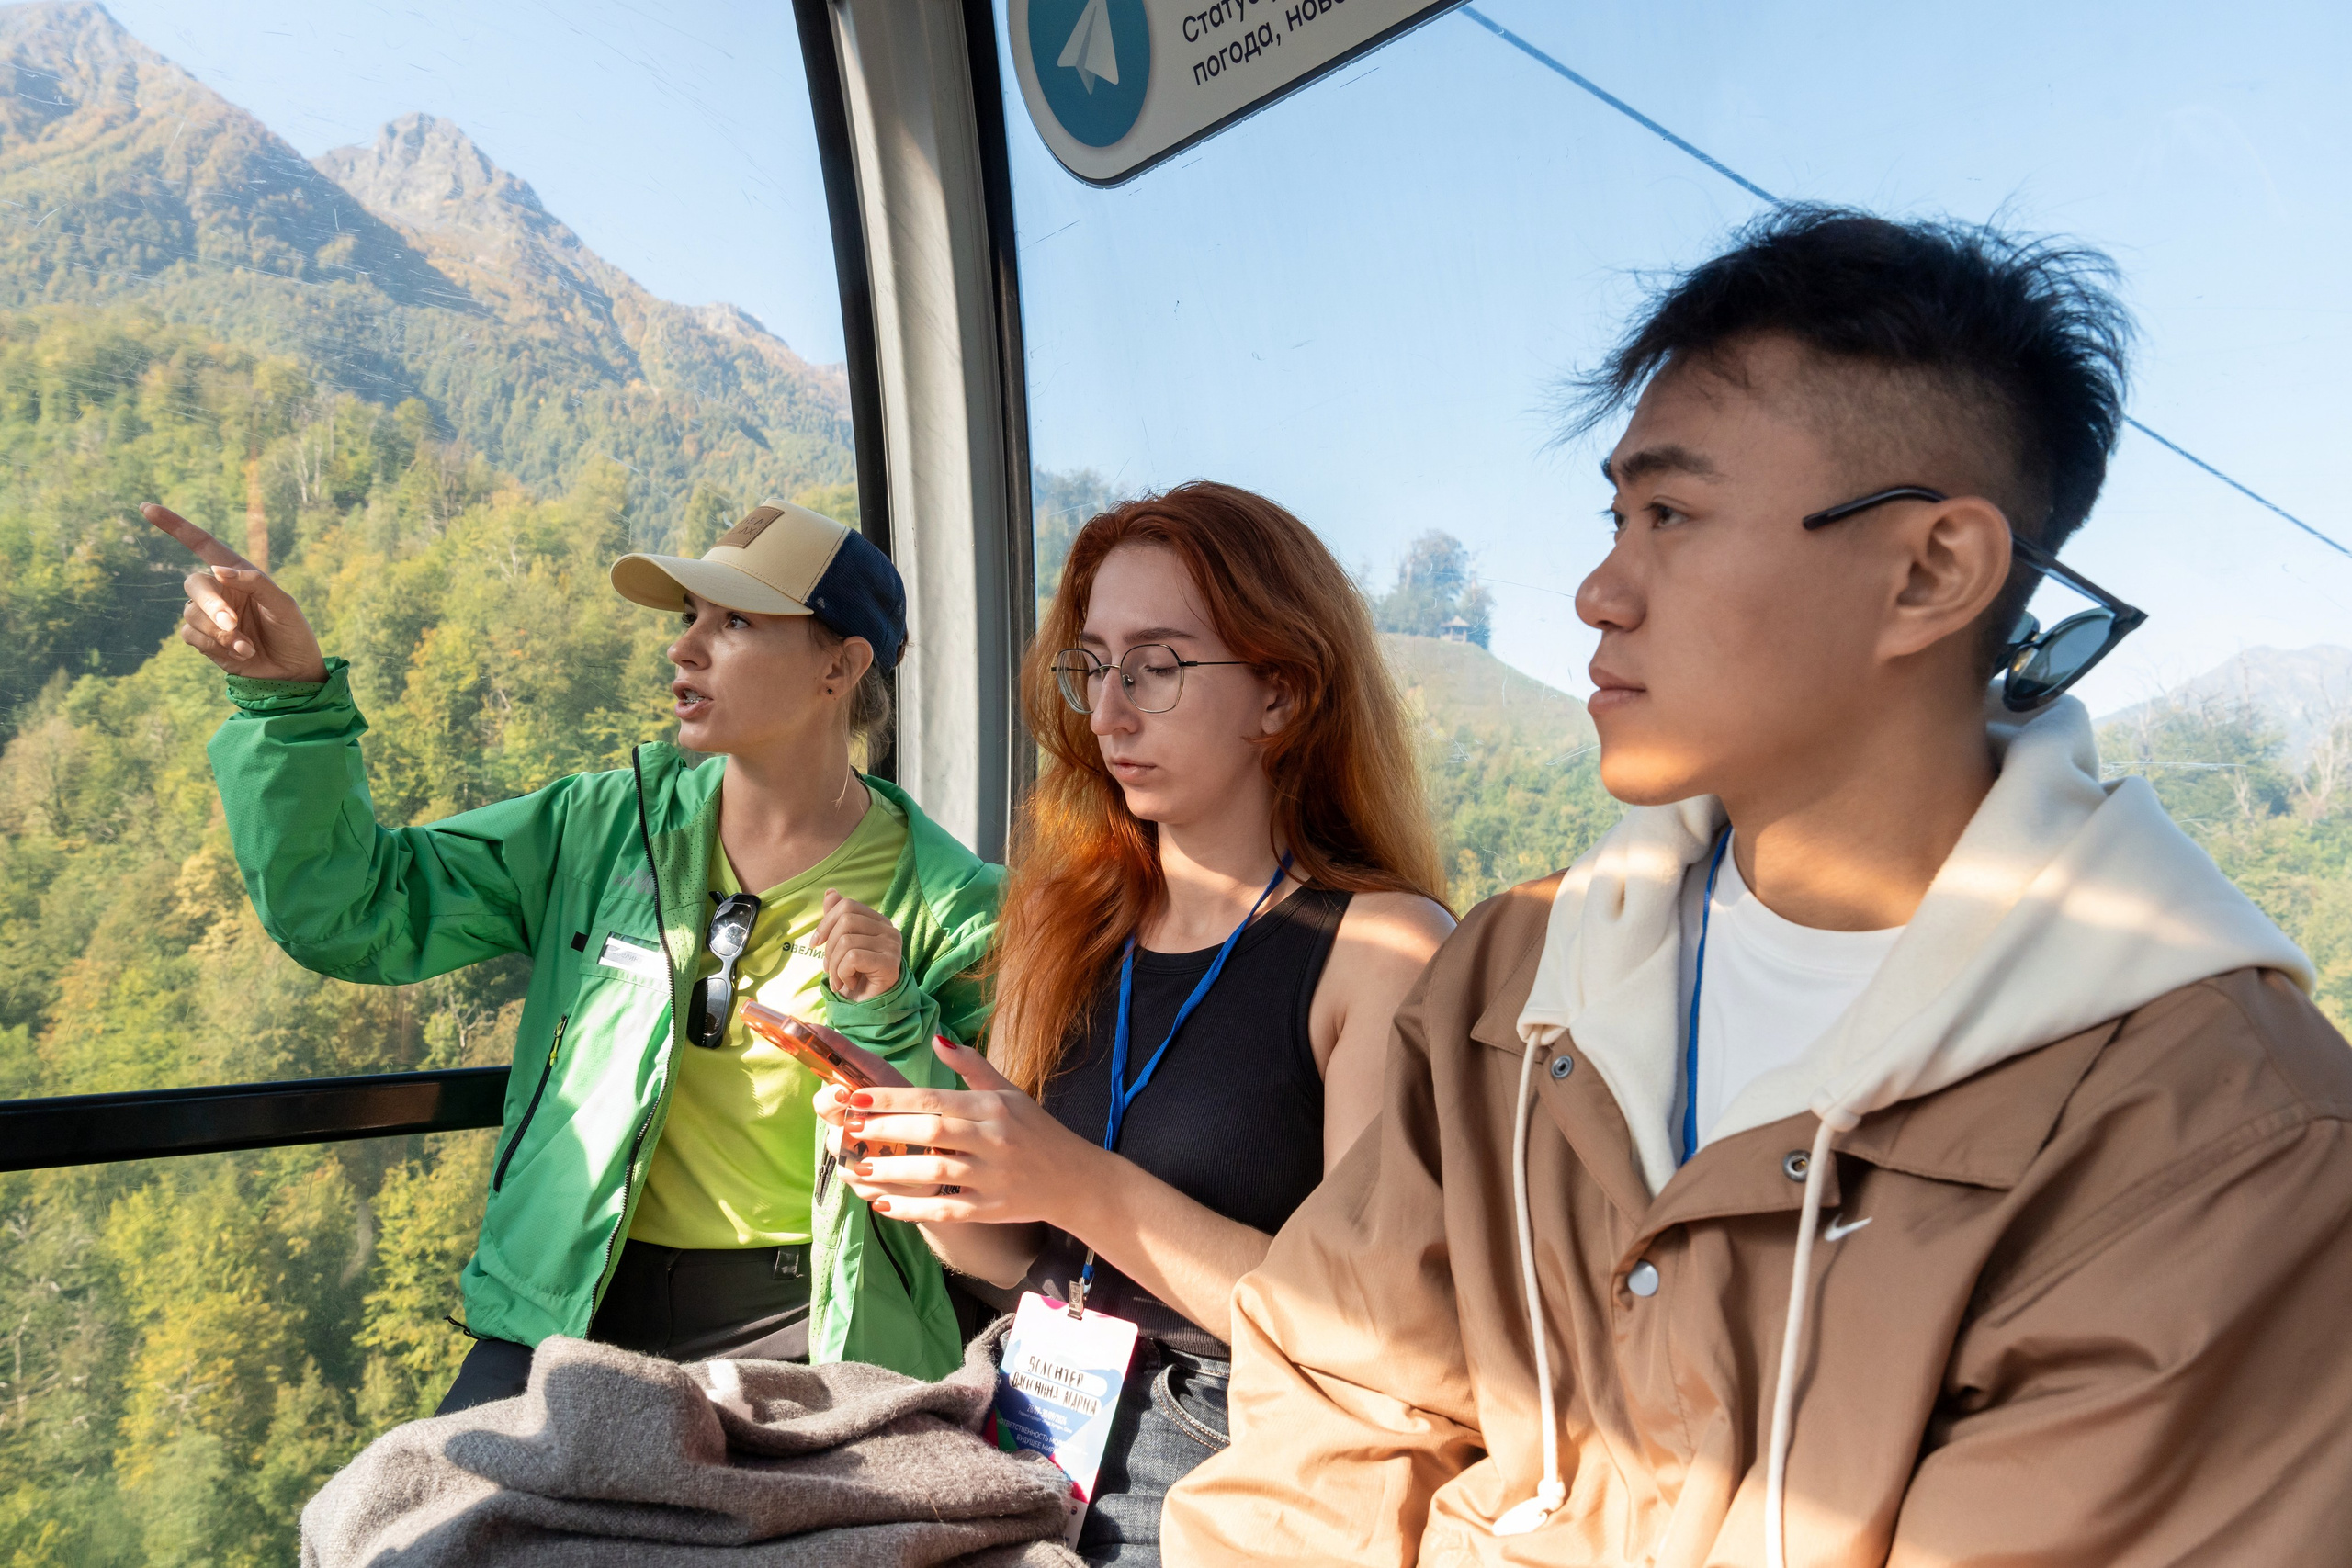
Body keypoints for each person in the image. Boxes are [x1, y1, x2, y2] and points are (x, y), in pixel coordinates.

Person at [1162, 208, 2352, 1563]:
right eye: (1616, 515)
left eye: (1671, 513)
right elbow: (1332, 1405)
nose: (1599, 590)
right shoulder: (1518, 981)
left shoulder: (2220, 1144)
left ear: (1932, 570)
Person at [149, 495, 1001, 1412]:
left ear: (840, 665)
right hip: (571, 1297)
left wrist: (889, 1016)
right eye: (688, 619)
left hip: (814, 1324)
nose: (684, 647)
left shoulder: (953, 907)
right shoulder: (598, 830)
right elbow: (358, 910)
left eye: (736, 621)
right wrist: (288, 702)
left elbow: (990, 1192)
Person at [818, 481, 1455, 1565]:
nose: (1107, 709)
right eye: (1092, 663)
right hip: (1026, 1404)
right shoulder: (1070, 922)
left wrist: (1070, 1177)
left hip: (1225, 1441)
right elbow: (1016, 1259)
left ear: (1282, 695)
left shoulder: (1383, 948)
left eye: (1156, 666)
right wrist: (935, 1180)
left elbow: (1369, 1335)